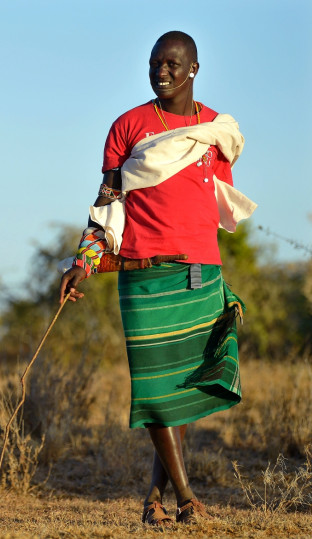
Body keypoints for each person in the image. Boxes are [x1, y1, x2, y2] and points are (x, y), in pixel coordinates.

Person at [58, 31, 256, 526]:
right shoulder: (128, 126)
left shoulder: (216, 131)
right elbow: (105, 205)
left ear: (193, 68)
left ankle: (152, 499)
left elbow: (214, 203)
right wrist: (83, 261)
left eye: (171, 64)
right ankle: (186, 495)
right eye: (154, 64)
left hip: (199, 270)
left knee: (181, 391)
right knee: (152, 387)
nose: (161, 72)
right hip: (143, 273)